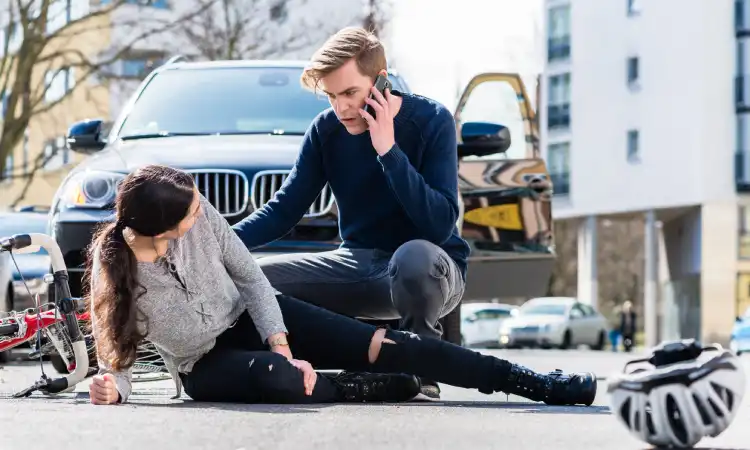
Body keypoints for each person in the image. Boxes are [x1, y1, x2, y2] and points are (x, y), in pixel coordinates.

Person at [86, 165, 597, 407]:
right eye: (191, 213)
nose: (202, 215)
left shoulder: (200, 217)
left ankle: (533, 382)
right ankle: (373, 388)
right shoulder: (116, 272)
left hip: (255, 318)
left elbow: (251, 278)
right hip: (205, 364)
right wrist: (113, 387)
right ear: (159, 228)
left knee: (392, 344)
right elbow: (118, 356)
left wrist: (281, 342)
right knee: (279, 380)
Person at [232, 26, 469, 400]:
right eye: (330, 96)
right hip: (358, 265)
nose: (340, 107)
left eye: (350, 93)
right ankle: (302, 362)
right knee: (253, 279)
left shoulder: (432, 120)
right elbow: (283, 211)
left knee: (414, 255)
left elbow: (439, 224)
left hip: (432, 270)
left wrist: (388, 151)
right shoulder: (325, 131)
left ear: (381, 82)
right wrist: (217, 245)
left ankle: (421, 366)